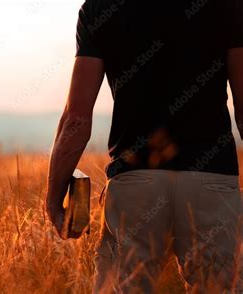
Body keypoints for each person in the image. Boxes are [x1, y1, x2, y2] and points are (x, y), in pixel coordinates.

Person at [45, 0, 243, 292]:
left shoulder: (100, 8)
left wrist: (54, 197)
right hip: (211, 182)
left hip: (135, 186)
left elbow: (75, 119)